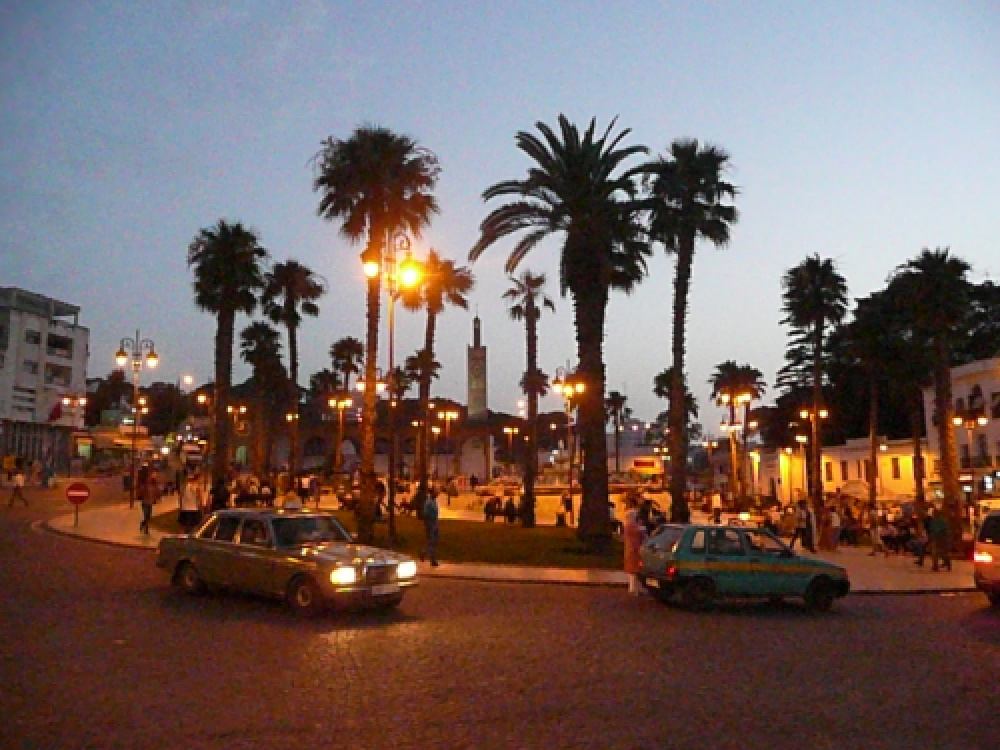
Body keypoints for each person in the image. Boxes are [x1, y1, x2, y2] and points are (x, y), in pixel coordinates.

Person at [623, 497, 647, 596]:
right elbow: (642, 533)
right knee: (634, 570)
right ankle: (633, 589)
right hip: (634, 550)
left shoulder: (628, 525)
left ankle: (636, 588)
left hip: (631, 549)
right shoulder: (633, 526)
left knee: (634, 570)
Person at [927, 507, 952, 572]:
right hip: (938, 538)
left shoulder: (941, 521)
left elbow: (945, 530)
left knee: (939, 552)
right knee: (937, 552)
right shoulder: (935, 521)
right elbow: (931, 530)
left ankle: (945, 563)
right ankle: (937, 565)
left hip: (941, 538)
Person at [422, 486, 439, 566]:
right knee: (431, 541)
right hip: (430, 524)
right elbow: (425, 514)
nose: (437, 493)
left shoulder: (434, 501)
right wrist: (427, 525)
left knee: (433, 541)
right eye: (435, 492)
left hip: (435, 523)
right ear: (432, 493)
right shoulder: (428, 502)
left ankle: (424, 553)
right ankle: (433, 560)